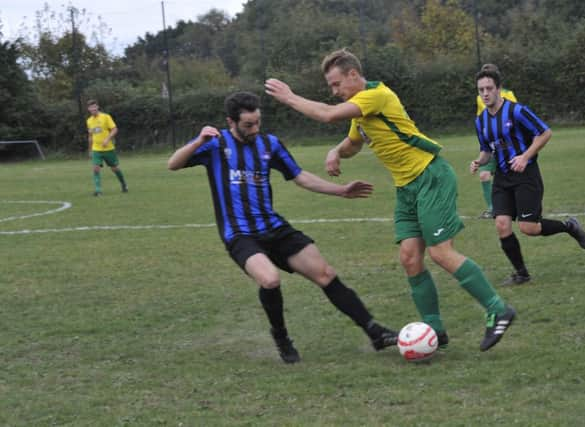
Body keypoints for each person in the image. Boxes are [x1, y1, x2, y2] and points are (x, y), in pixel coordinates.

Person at [265, 49, 515, 352]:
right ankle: (435, 331)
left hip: (430, 176)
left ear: (354, 76)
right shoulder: (360, 109)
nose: (334, 92)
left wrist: (290, 97)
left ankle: (497, 309)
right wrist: (335, 152)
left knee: (440, 253)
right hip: (406, 188)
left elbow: (327, 114)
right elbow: (353, 143)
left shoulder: (376, 96)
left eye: (336, 84)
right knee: (410, 258)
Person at [167, 91, 398, 364]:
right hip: (240, 234)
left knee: (325, 274)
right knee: (270, 279)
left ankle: (374, 331)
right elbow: (174, 164)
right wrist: (198, 142)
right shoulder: (215, 144)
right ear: (231, 122)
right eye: (248, 125)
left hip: (274, 227)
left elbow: (299, 177)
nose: (255, 129)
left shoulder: (270, 144)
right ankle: (281, 337)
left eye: (257, 122)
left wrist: (340, 191)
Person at [470, 68, 585, 285]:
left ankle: (569, 226)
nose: (485, 93)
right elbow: (487, 150)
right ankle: (521, 274)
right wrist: (479, 161)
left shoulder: (516, 111)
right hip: (503, 178)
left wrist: (525, 156)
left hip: (526, 175)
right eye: (481, 90)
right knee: (502, 224)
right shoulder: (481, 121)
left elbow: (545, 133)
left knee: (529, 228)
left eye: (489, 88)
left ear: (498, 89)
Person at [475, 64, 518, 219]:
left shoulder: (509, 94)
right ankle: (492, 208)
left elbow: (513, 113)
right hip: (491, 143)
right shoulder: (480, 98)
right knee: (484, 175)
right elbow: (482, 116)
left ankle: (515, 203)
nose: (485, 93)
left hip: (507, 145)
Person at [86, 99, 128, 196]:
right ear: (88, 109)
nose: (93, 109)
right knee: (95, 168)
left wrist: (107, 139)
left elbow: (115, 129)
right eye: (91, 107)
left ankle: (124, 184)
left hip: (108, 149)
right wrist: (90, 150)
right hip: (96, 149)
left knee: (114, 169)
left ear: (97, 107)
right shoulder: (89, 121)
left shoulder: (106, 117)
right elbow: (90, 136)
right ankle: (98, 190)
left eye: (94, 107)